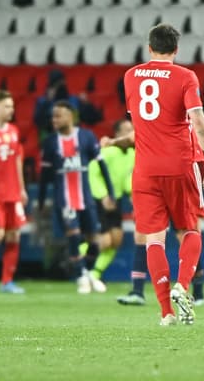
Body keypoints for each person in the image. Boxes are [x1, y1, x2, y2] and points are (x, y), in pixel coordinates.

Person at [124, 23, 204, 326]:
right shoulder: (185, 76)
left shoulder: (131, 75)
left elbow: (139, 118)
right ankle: (182, 286)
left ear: (149, 47)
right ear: (176, 49)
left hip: (145, 169)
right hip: (180, 163)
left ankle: (166, 312)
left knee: (154, 239)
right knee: (190, 228)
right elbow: (198, 120)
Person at [106, 126, 204, 307]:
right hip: (171, 176)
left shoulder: (155, 122)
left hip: (166, 178)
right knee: (177, 234)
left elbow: (131, 138)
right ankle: (139, 291)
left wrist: (111, 142)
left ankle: (194, 293)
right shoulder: (169, 119)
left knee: (180, 235)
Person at [38, 100, 115, 294]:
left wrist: (111, 192)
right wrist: (40, 199)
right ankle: (81, 276)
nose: (54, 120)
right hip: (64, 199)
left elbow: (103, 167)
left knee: (94, 241)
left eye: (58, 116)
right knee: (73, 235)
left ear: (70, 116)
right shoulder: (50, 142)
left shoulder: (87, 137)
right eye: (53, 116)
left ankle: (88, 273)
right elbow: (45, 176)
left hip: (86, 198)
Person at [82, 119, 135, 285]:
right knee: (105, 241)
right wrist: (103, 195)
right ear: (117, 134)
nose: (130, 133)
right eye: (126, 130)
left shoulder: (133, 154)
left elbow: (128, 178)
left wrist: (133, 196)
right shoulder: (107, 151)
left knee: (117, 240)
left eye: (132, 130)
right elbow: (93, 172)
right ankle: (76, 255)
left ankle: (95, 274)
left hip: (117, 199)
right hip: (99, 199)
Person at [0, 90, 28, 293]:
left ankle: (7, 281)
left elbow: (17, 160)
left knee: (14, 235)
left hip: (13, 192)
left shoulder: (13, 130)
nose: (11, 110)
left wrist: (21, 188)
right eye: (7, 106)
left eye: (12, 106)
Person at [34, 69, 102, 142]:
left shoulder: (74, 100)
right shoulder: (43, 101)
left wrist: (87, 104)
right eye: (56, 85)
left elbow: (93, 119)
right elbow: (39, 122)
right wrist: (47, 102)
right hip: (52, 139)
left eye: (61, 83)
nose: (59, 87)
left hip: (73, 139)